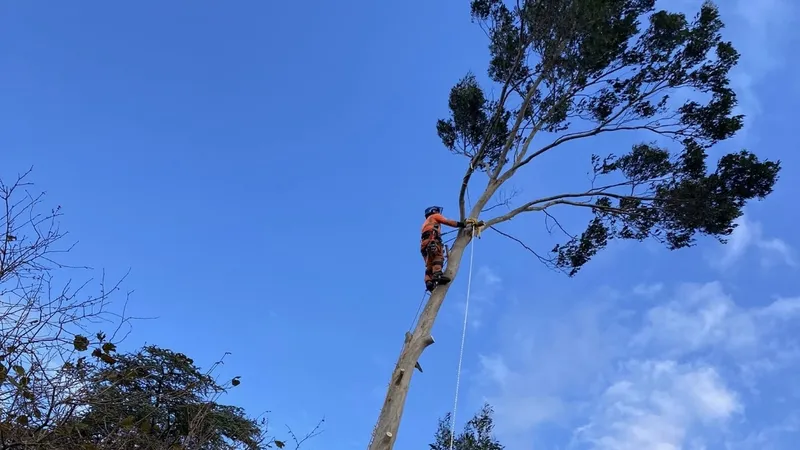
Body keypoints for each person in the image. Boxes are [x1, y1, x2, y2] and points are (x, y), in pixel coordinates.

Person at [420, 206, 482, 292]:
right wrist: (462, 224)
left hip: (424, 244)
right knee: (438, 257)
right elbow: (447, 222)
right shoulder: (434, 216)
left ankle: (429, 282)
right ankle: (437, 275)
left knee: (430, 263)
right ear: (434, 211)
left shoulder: (425, 224)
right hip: (432, 240)